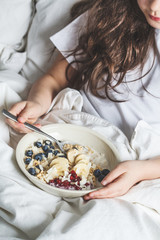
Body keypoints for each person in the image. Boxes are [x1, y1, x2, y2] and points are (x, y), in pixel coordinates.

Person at [5, 0, 160, 200]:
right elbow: (53, 79)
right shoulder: (108, 17)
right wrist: (36, 103)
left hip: (133, 163)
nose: (154, 6)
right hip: (68, 131)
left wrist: (142, 171)